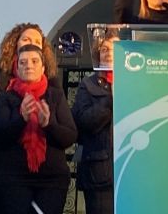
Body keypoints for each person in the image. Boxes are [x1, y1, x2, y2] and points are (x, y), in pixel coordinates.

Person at [0, 45, 79, 214]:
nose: (29, 65)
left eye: (34, 61)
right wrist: (22, 119)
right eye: (23, 62)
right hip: (13, 178)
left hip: (52, 180)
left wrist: (48, 125)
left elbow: (70, 136)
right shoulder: (7, 97)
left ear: (43, 67)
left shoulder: (55, 95)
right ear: (17, 68)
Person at [72, 35, 116, 214]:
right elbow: (82, 122)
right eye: (104, 49)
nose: (108, 54)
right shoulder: (88, 84)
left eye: (114, 49)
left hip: (131, 169)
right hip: (99, 172)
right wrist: (110, 100)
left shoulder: (137, 82)